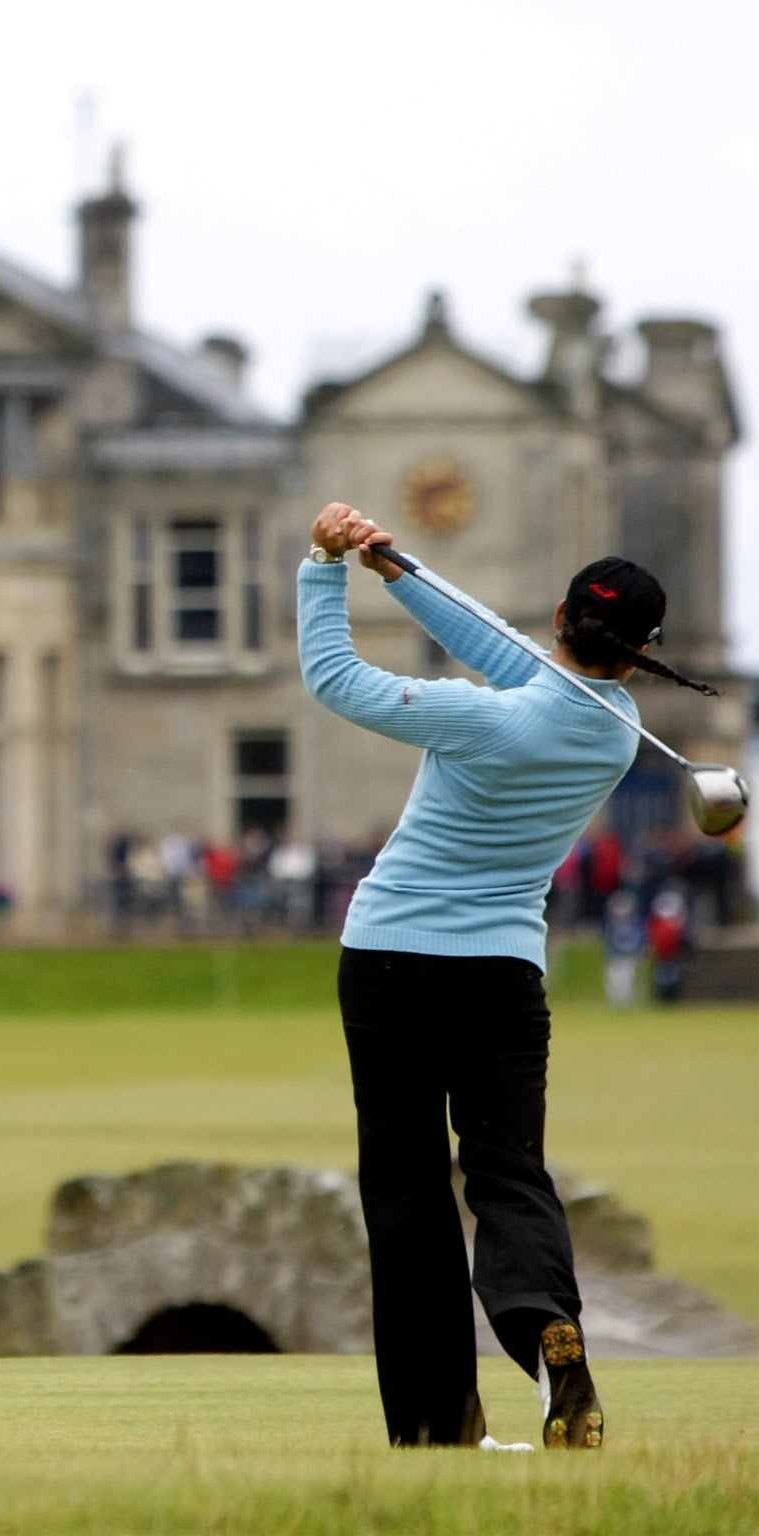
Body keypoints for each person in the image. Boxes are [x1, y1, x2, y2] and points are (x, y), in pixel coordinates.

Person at [301, 500, 719, 1451]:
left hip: (391, 961)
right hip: (501, 976)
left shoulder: (483, 718)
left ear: (564, 621)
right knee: (508, 1176)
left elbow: (333, 678)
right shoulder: (614, 730)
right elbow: (498, 644)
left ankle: (435, 1422)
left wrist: (322, 567)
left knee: (407, 1192)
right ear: (640, 650)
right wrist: (393, 568)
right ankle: (545, 1336)